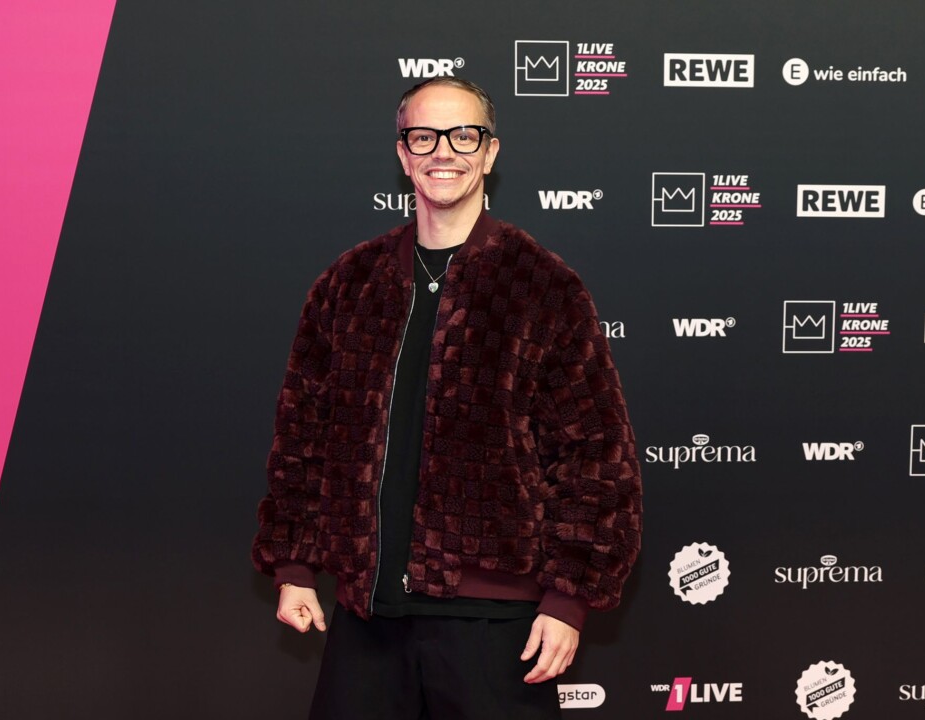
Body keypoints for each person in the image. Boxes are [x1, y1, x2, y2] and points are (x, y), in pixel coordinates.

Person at [252, 77, 642, 719]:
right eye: (424, 136)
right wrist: (294, 564)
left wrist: (568, 599)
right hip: (367, 613)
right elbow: (303, 436)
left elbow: (596, 456)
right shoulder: (349, 283)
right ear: (402, 154)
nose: (444, 151)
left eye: (464, 135)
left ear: (490, 152)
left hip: (495, 624)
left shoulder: (542, 286)